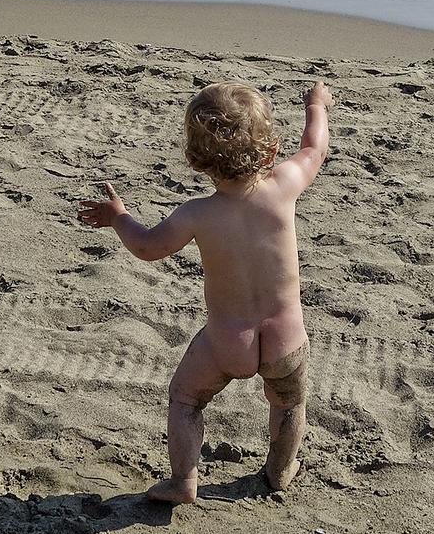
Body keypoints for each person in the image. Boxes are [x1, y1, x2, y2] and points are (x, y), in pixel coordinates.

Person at [76, 80, 333, 503]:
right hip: (286, 336)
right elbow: (314, 149)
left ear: (195, 161)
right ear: (270, 151)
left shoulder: (196, 214)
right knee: (288, 403)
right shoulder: (285, 183)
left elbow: (148, 247)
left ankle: (183, 481)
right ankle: (280, 470)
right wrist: (316, 105)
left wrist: (119, 218)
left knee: (186, 398)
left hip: (227, 339)